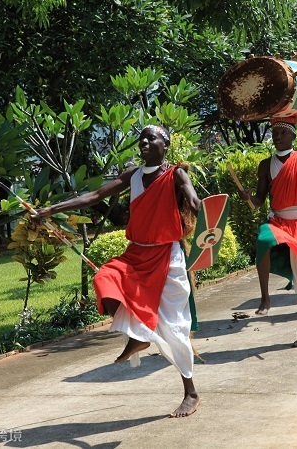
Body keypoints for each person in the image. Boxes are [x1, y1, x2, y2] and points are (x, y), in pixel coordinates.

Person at [31, 125, 201, 417]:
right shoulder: (132, 175)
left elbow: (195, 202)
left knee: (175, 327)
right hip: (136, 253)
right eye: (141, 138)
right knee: (105, 278)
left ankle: (191, 392)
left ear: (165, 144)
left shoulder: (176, 175)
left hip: (167, 255)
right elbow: (95, 195)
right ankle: (140, 335)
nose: (144, 142)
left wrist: (210, 218)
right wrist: (52, 209)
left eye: (151, 138)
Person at [239, 119, 297, 347]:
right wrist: (248, 198)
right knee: (263, 240)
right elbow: (259, 200)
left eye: (282, 132)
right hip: (278, 220)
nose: (277, 137)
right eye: (274, 133)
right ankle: (265, 298)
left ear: (293, 136)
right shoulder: (265, 165)